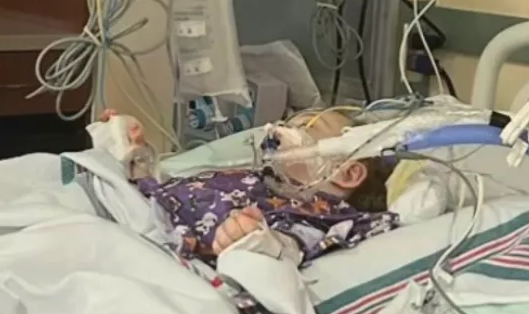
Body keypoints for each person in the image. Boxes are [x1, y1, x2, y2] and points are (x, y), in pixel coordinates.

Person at [94, 109, 398, 266]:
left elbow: (290, 247)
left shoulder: (321, 215)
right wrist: (137, 160)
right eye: (289, 123)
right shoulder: (261, 184)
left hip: (153, 239)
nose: (281, 130)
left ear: (347, 173)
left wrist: (255, 240)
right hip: (135, 205)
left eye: (306, 129)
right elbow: (185, 196)